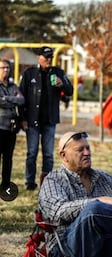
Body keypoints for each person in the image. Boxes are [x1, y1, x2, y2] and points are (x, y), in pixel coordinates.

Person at [20, 46, 74, 191]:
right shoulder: (29, 73)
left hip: (50, 120)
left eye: (51, 57)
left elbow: (70, 91)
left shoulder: (58, 72)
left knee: (48, 154)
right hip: (32, 120)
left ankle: (46, 182)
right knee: (32, 153)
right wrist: (23, 119)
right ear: (38, 58)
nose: (49, 59)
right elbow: (21, 97)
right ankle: (29, 182)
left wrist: (62, 84)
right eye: (46, 57)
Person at [0, 58, 24, 198]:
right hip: (0, 127)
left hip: (11, 128)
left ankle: (5, 185)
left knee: (8, 158)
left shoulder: (13, 86)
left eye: (8, 68)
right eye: (3, 67)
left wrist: (6, 98)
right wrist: (12, 99)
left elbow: (21, 100)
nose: (6, 70)